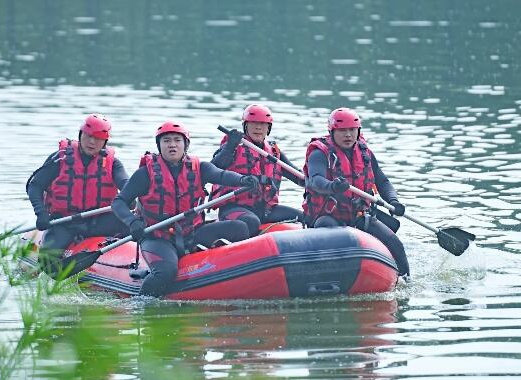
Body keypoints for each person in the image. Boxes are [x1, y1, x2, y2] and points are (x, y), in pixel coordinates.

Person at [112, 121, 258, 297]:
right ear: (159, 146)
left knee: (240, 228)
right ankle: (141, 307)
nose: (172, 144)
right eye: (166, 141)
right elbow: (119, 202)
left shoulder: (199, 168)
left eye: (176, 140)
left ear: (185, 145)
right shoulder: (145, 174)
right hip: (158, 237)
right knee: (165, 272)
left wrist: (243, 180)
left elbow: (221, 175)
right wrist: (132, 221)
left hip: (192, 232)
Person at [302, 107, 410, 277]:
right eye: (342, 130)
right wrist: (333, 186)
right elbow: (315, 181)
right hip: (327, 216)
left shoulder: (364, 152)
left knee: (394, 243)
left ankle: (405, 281)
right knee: (328, 232)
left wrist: (393, 201)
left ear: (358, 131)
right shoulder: (319, 153)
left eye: (352, 130)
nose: (348, 135)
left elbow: (382, 181)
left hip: (358, 214)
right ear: (332, 132)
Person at [26, 113, 131, 273]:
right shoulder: (60, 159)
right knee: (47, 262)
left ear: (105, 142)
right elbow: (35, 186)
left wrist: (131, 199)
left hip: (99, 221)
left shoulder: (113, 164)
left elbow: (127, 185)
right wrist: (41, 213)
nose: (92, 142)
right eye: (88, 136)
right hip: (66, 222)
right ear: (80, 134)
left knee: (131, 223)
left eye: (98, 138)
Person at [210, 104, 304, 237]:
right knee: (251, 222)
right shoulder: (233, 146)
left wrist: (317, 181)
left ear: (268, 128)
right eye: (253, 123)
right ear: (245, 126)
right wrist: (229, 147)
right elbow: (213, 170)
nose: (258, 127)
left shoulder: (273, 152)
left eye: (263, 124)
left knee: (303, 217)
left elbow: (298, 177)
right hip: (235, 207)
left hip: (266, 210)